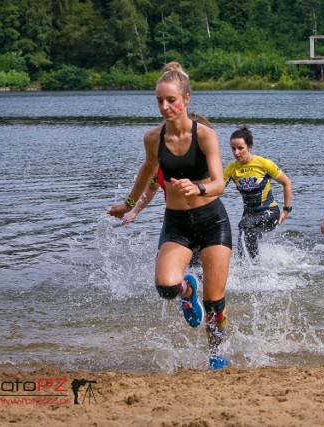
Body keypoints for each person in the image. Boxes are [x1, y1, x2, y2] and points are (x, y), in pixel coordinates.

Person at [107, 62, 232, 370]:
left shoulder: (205, 136)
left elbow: (220, 183)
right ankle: (188, 291)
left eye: (171, 100)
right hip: (177, 223)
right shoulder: (153, 138)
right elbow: (148, 169)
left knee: (215, 301)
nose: (165, 107)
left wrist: (198, 186)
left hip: (212, 221)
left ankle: (216, 355)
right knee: (165, 286)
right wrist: (129, 203)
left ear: (186, 99)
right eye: (160, 101)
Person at [223, 126, 293, 260]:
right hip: (249, 215)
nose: (236, 152)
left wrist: (286, 210)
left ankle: (255, 267)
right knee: (242, 253)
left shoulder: (264, 164)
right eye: (233, 149)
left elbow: (287, 183)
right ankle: (250, 270)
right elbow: (217, 188)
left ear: (249, 147)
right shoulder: (231, 169)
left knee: (245, 226)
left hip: (270, 213)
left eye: (240, 148)